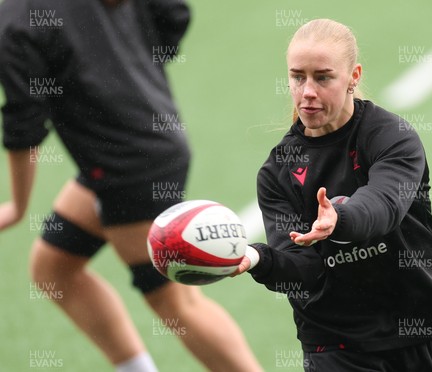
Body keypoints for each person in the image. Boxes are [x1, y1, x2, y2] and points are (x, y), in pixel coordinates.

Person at [0, 0, 262, 371]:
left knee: (175, 302)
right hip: (136, 151)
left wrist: (18, 207)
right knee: (53, 267)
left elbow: (23, 126)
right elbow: (174, 14)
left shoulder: (15, 21)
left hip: (127, 167)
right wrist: (133, 70)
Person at [233, 19, 432, 371]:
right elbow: (303, 272)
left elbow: (384, 204)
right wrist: (258, 259)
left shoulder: (390, 136)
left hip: (419, 325)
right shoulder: (278, 172)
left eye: (323, 77)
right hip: (336, 345)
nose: (308, 91)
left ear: (353, 76)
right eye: (298, 77)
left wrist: (339, 219)